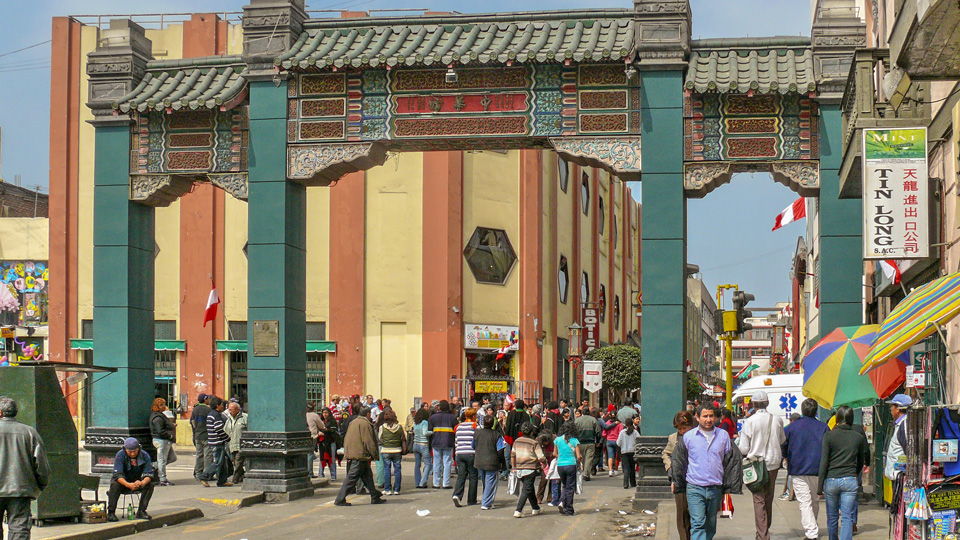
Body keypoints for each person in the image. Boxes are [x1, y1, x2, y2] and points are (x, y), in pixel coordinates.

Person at [671, 404, 743, 540]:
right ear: (697, 418)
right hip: (695, 487)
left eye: (711, 416)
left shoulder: (723, 436)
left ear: (716, 418)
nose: (708, 419)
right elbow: (679, 461)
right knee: (698, 523)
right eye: (705, 416)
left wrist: (729, 485)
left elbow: (732, 461)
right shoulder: (688, 437)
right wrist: (676, 481)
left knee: (710, 525)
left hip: (715, 488)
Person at [736, 391, 785, 540]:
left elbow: (744, 448)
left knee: (758, 499)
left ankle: (763, 535)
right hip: (773, 463)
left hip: (756, 465)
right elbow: (782, 440)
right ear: (767, 403)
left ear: (753, 405)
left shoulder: (749, 422)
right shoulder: (777, 420)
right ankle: (764, 529)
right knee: (768, 497)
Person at [0, 396, 50, 539]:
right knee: (19, 528)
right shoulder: (30, 433)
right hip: (20, 489)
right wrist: (39, 486)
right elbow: (41, 466)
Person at [818, 405, 869, 540]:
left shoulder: (828, 436)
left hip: (831, 480)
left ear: (837, 419)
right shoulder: (857, 437)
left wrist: (819, 487)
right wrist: (854, 473)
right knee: (847, 516)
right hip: (850, 480)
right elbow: (861, 460)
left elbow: (824, 462)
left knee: (832, 516)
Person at [782, 398, 828, 540]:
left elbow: (783, 444)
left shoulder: (791, 428)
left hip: (798, 469)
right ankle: (812, 527)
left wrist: (786, 457)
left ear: (802, 411)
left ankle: (811, 532)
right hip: (818, 469)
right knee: (814, 500)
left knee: (804, 502)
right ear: (815, 411)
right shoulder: (823, 427)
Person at [334, 407, 385, 506]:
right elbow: (368, 441)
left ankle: (374, 496)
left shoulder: (353, 422)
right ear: (368, 414)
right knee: (351, 478)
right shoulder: (365, 424)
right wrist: (374, 454)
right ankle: (340, 499)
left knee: (367, 476)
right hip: (360, 455)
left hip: (355, 453)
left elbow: (347, 438)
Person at [663, 411, 695, 540]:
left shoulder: (697, 436)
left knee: (694, 512)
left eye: (684, 428)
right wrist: (669, 466)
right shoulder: (673, 438)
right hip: (680, 479)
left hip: (696, 478)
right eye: (680, 429)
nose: (682, 431)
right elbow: (665, 453)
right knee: (681, 512)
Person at [107, 438, 154, 522]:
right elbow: (118, 475)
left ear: (139, 448)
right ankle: (111, 512)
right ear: (125, 449)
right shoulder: (120, 455)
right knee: (115, 484)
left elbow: (149, 474)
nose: (132, 454)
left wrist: (141, 483)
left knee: (150, 485)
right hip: (124, 483)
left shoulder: (144, 455)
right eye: (130, 452)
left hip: (137, 482)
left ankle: (141, 510)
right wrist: (128, 485)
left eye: (135, 451)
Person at [512, 421, 547, 518]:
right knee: (526, 489)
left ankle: (535, 508)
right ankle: (518, 510)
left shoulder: (517, 441)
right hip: (531, 468)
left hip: (519, 468)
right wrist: (545, 463)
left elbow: (513, 455)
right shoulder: (534, 442)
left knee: (529, 488)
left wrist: (513, 467)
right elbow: (541, 457)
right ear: (531, 431)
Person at [198, 397, 233, 487]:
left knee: (222, 463)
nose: (222, 406)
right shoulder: (216, 415)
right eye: (221, 405)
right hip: (217, 442)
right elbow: (219, 429)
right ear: (218, 406)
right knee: (218, 462)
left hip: (213, 441)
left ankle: (222, 480)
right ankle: (204, 476)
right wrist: (227, 438)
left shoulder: (211, 414)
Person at [474, 414, 505, 510]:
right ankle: (486, 503)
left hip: (479, 460)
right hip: (492, 461)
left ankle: (485, 499)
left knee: (485, 481)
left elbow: (473, 445)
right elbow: (500, 450)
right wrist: (502, 462)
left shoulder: (477, 433)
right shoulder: (496, 435)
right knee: (490, 482)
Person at [452, 408, 479, 507]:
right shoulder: (475, 426)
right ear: (473, 416)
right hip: (471, 453)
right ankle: (471, 500)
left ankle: (457, 495)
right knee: (473, 476)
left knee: (461, 476)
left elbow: (456, 442)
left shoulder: (458, 427)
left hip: (460, 453)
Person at [553, 421, 581, 516]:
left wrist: (560, 456)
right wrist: (579, 464)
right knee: (570, 487)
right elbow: (579, 456)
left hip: (560, 465)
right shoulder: (574, 440)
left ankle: (562, 502)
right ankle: (569, 508)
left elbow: (554, 454)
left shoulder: (557, 440)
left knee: (564, 485)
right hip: (571, 464)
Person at [429, 400, 458, 489]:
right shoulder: (452, 418)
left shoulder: (433, 418)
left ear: (439, 407)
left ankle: (436, 483)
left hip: (436, 442)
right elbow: (456, 429)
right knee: (447, 463)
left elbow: (429, 431)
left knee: (436, 463)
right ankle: (446, 483)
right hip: (448, 442)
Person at [149, 397, 176, 486]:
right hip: (161, 440)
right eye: (162, 404)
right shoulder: (157, 417)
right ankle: (162, 479)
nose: (164, 406)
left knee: (171, 458)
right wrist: (169, 435)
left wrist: (171, 425)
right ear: (158, 406)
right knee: (162, 460)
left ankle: (154, 466)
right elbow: (160, 431)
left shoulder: (160, 415)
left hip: (165, 440)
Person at [884, 393, 911, 482]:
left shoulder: (904, 425)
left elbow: (908, 449)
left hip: (900, 476)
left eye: (892, 406)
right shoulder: (901, 424)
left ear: (898, 408)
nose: (891, 409)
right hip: (897, 475)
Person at [378, 410, 405, 495]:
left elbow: (380, 438)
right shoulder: (399, 427)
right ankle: (396, 489)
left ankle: (387, 489)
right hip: (397, 450)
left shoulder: (382, 427)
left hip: (386, 450)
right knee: (397, 470)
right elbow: (403, 438)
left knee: (387, 470)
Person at [190, 393, 213, 481]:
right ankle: (207, 474)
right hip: (206, 435)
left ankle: (198, 473)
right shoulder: (208, 410)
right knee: (208, 455)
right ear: (205, 399)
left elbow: (192, 422)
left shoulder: (195, 410)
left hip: (197, 435)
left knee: (199, 455)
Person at [224, 402, 248, 484]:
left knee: (238, 462)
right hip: (231, 445)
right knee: (235, 462)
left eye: (231, 410)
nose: (230, 412)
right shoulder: (229, 419)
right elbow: (225, 430)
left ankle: (235, 479)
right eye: (229, 410)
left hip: (241, 445)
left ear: (237, 410)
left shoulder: (244, 417)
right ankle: (243, 475)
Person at [575, 406, 600, 481]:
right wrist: (598, 441)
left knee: (581, 458)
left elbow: (574, 431)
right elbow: (598, 432)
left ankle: (579, 472)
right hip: (590, 442)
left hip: (579, 442)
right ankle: (586, 474)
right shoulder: (593, 420)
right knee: (589, 458)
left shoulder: (577, 421)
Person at [412, 408, 433, 489]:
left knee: (417, 465)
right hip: (423, 444)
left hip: (415, 444)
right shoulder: (424, 422)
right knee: (428, 464)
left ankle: (417, 482)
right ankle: (423, 482)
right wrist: (433, 431)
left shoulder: (415, 423)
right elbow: (425, 433)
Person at [617, 417, 640, 489]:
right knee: (632, 468)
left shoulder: (622, 432)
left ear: (625, 424)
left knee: (626, 468)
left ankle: (625, 483)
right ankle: (633, 483)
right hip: (632, 452)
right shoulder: (635, 432)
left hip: (624, 452)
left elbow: (618, 443)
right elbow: (639, 441)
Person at [319, 407, 341, 480]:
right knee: (322, 458)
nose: (325, 414)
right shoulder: (320, 421)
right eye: (323, 413)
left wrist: (324, 432)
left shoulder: (332, 421)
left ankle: (333, 475)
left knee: (332, 459)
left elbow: (333, 431)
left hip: (331, 441)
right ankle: (320, 474)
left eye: (326, 413)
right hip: (322, 442)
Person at [305, 402, 325, 478]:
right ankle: (310, 473)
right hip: (312, 436)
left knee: (307, 454)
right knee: (310, 454)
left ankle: (305, 471)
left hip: (303, 436)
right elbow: (322, 425)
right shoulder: (314, 415)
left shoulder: (302, 415)